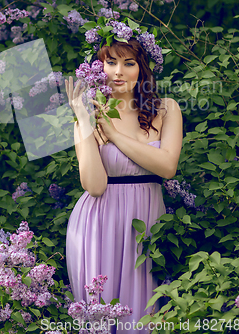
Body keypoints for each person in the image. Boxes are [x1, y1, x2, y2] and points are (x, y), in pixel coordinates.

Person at [65, 33, 183, 334]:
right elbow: (94, 185)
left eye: (128, 63)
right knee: (102, 317)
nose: (118, 72)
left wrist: (115, 136)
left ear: (141, 68)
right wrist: (83, 118)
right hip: (98, 225)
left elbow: (167, 167)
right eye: (110, 62)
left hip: (147, 224)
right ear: (98, 67)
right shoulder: (89, 115)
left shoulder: (165, 109)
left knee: (144, 316)